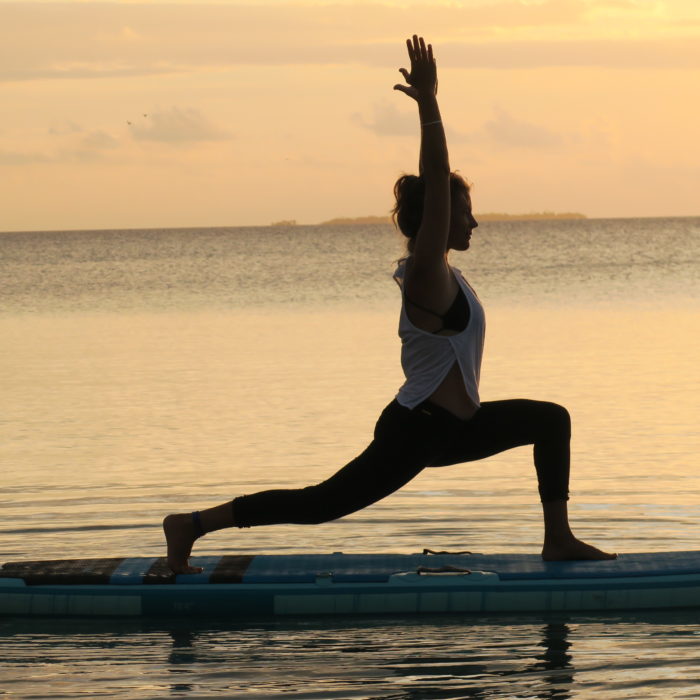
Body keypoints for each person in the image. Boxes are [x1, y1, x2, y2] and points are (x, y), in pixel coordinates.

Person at [163, 35, 616, 574]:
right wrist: (429, 105)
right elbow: (439, 192)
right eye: (464, 212)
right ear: (440, 218)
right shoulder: (426, 274)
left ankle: (558, 539)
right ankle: (191, 525)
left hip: (456, 428)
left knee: (550, 420)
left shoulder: (450, 275)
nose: (473, 222)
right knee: (320, 504)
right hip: (418, 429)